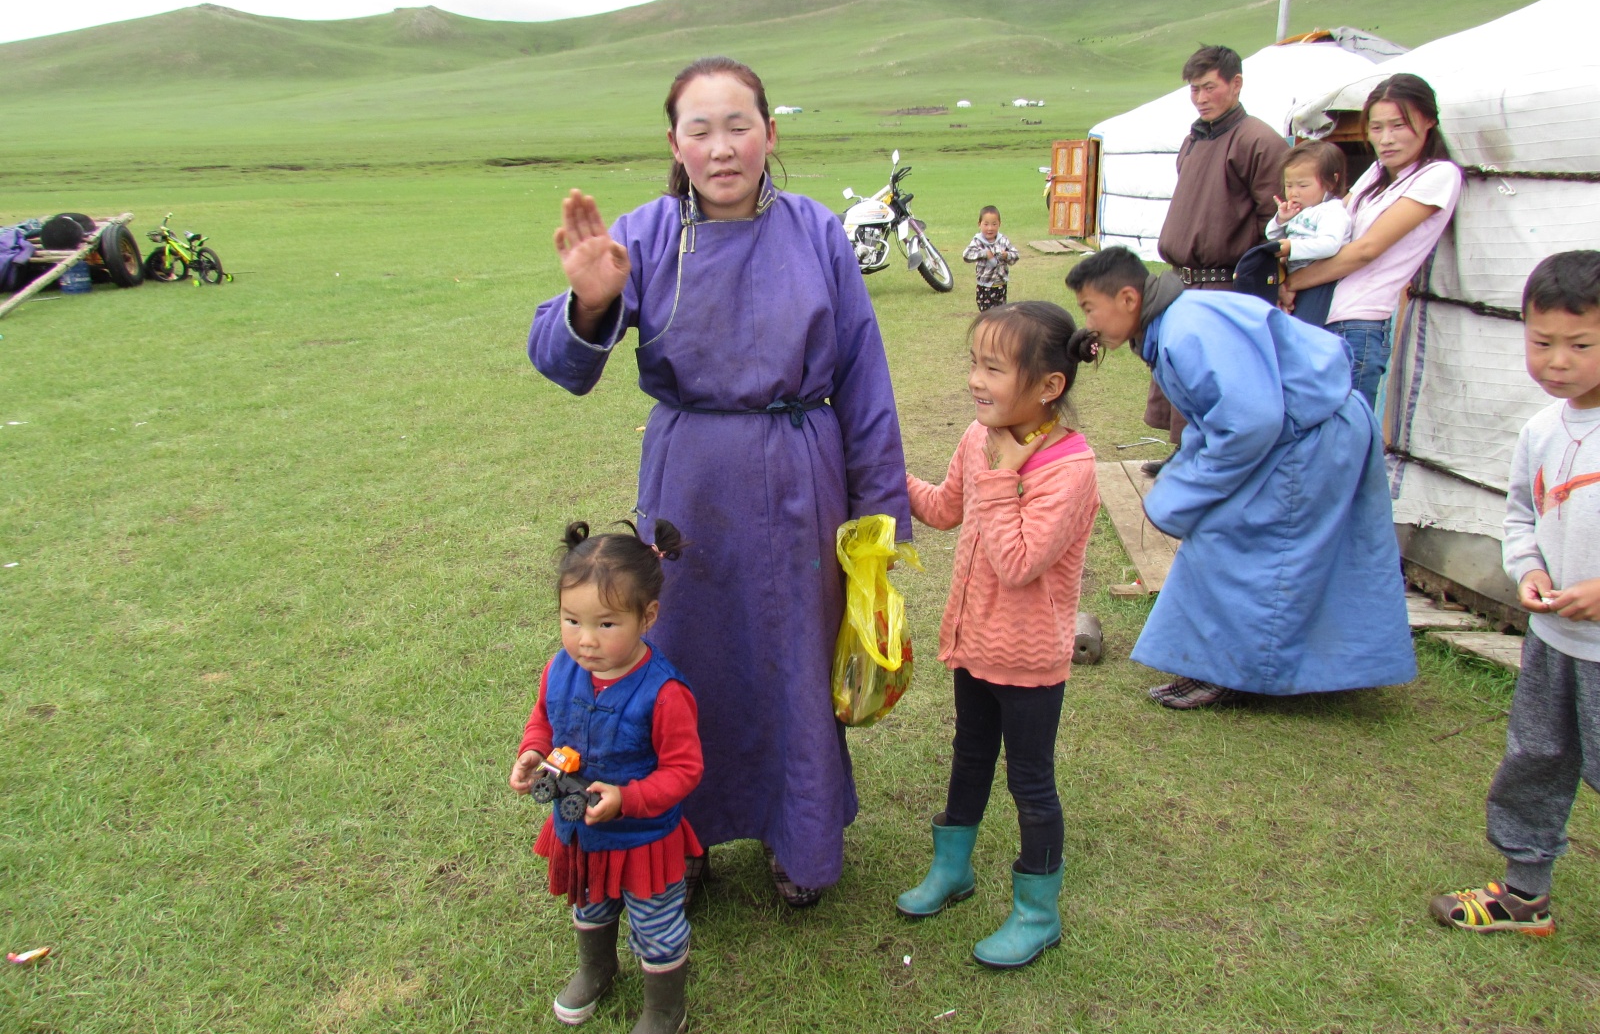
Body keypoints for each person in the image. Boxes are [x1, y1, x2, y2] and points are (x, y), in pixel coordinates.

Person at [526, 57, 912, 908]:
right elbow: (561, 362)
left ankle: (796, 837)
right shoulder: (647, 234)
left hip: (801, 480)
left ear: (771, 134)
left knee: (792, 663)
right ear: (675, 143)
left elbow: (865, 383)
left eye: (739, 124)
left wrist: (881, 526)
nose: (722, 147)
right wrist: (590, 305)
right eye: (699, 129)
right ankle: (678, 841)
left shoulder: (816, 233)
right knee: (683, 660)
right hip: (687, 487)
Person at [1067, 246, 1415, 709]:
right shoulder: (1175, 320)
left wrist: (1186, 491)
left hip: (1312, 437)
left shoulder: (1185, 332)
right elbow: (1220, 415)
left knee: (1235, 539)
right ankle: (1265, 666)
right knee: (1276, 550)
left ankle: (1228, 672)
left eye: (1090, 308)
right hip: (1308, 430)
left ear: (1128, 299)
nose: (1088, 321)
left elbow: (1249, 421)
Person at [894, 302, 1100, 967]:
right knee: (969, 757)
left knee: (1031, 783)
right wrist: (882, 479)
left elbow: (1016, 563)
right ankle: (952, 870)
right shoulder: (978, 437)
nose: (976, 381)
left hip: (1030, 662)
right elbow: (947, 509)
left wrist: (1002, 473)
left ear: (1048, 386)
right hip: (972, 648)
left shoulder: (1070, 469)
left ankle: (1037, 913)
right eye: (973, 364)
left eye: (993, 368)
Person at [1430, 251, 1600, 937]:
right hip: (1554, 641)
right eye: (1541, 342)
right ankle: (1525, 892)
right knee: (1535, 759)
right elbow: (1521, 517)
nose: (1556, 361)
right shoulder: (1541, 430)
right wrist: (1527, 568)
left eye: (1580, 344)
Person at [509, 520, 702, 1034]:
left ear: (649, 617)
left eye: (606, 623)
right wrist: (531, 752)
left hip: (642, 839)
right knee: (590, 903)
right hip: (580, 829)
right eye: (571, 620)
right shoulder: (560, 669)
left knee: (655, 924)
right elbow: (544, 721)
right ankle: (596, 967)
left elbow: (684, 771)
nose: (585, 639)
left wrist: (630, 798)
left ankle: (665, 1008)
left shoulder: (664, 693)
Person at [1143, 45, 1290, 476]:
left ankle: (1217, 463)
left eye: (1210, 87)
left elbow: (1275, 220)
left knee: (1215, 378)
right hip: (1183, 281)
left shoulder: (1259, 141)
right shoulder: (1194, 140)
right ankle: (1186, 453)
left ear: (1236, 84)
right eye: (1194, 89)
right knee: (1181, 374)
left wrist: (1276, 281)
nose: (1201, 97)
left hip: (1226, 282)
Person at [1283, 73, 1462, 409]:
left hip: (1359, 324)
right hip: (1321, 311)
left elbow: (1367, 250)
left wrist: (1293, 280)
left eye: (1398, 126)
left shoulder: (1438, 175)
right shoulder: (1377, 172)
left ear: (1428, 122)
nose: (1386, 138)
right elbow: (1338, 219)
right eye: (1376, 127)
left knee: (1343, 435)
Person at [1234, 139, 1350, 328]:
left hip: (1319, 280)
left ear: (1331, 182)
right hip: (1294, 275)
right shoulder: (1300, 211)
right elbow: (1272, 236)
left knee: (1306, 328)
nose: (1294, 193)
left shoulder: (1331, 211)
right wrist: (1281, 219)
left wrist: (1291, 247)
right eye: (1289, 186)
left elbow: (1330, 244)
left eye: (1303, 186)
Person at [963, 205, 1020, 311]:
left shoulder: (1003, 240)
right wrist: (984, 254)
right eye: (986, 224)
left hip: (1001, 285)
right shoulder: (977, 241)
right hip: (984, 286)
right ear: (979, 224)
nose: (990, 228)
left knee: (1001, 314)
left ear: (999, 224)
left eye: (994, 224)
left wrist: (1007, 255)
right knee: (987, 315)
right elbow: (966, 255)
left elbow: (1016, 255)